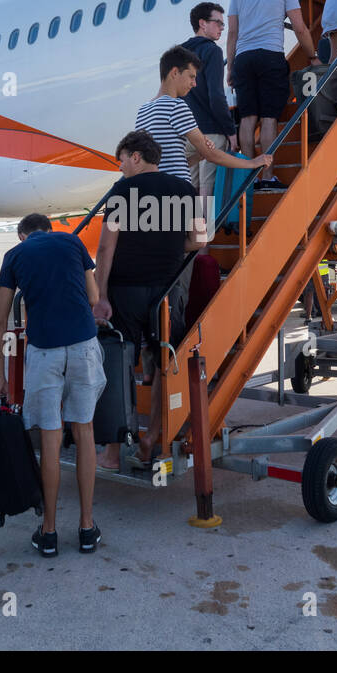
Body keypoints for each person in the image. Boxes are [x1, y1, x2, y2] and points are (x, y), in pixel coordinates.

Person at [0, 213, 106, 558]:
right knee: (84, 431)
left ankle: (49, 532)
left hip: (45, 353)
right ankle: (87, 528)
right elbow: (93, 296)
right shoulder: (72, 241)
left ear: (22, 235)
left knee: (51, 439)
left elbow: (0, 320)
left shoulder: (15, 255)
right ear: (48, 228)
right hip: (84, 346)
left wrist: (1, 377)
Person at [91, 131, 205, 470]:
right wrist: (168, 245)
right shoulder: (185, 190)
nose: (121, 166)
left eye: (122, 159)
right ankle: (150, 439)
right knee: (162, 364)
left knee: (119, 365)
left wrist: (101, 296)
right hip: (167, 293)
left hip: (126, 292)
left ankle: (113, 453)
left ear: (136, 156)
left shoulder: (121, 191)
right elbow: (199, 240)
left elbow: (105, 249)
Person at [138, 46, 270, 319]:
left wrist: (197, 155)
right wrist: (251, 163)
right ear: (174, 73)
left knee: (164, 268)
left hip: (152, 198)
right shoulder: (177, 106)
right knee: (183, 270)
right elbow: (213, 153)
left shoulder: (144, 111)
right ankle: (174, 335)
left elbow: (165, 163)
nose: (194, 83)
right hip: (179, 198)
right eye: (191, 76)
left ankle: (159, 331)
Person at [226, 0, 320, 189]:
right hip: (270, 56)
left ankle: (248, 178)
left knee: (247, 119)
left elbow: (233, 34)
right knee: (269, 118)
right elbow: (300, 28)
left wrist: (231, 68)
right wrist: (313, 56)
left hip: (244, 59)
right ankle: (267, 177)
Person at [180, 2, 237, 203]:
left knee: (188, 191)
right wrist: (230, 131)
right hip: (210, 132)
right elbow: (216, 95)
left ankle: (186, 234)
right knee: (207, 191)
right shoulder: (211, 51)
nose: (222, 27)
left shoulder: (179, 53)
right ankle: (204, 234)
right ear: (202, 23)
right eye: (218, 23)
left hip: (186, 133)